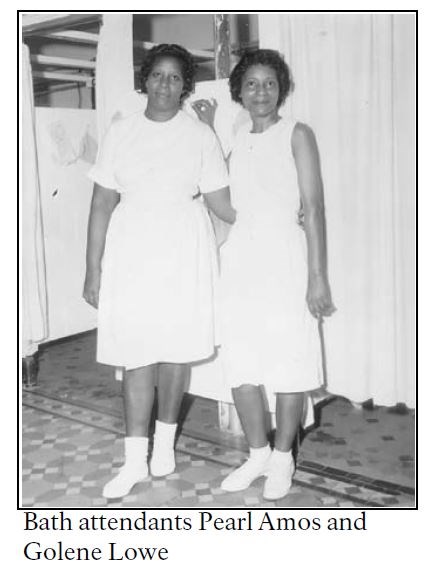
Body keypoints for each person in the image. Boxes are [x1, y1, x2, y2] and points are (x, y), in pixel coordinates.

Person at [83, 44, 235, 499]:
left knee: (175, 352)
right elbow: (101, 203)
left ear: (185, 85)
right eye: (157, 76)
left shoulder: (199, 136)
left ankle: (164, 446)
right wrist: (93, 269)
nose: (165, 85)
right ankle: (134, 461)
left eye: (175, 77)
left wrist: (286, 207)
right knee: (136, 355)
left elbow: (223, 203)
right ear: (144, 80)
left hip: (183, 251)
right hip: (131, 251)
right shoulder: (122, 132)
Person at [193, 49, 335, 501]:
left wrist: (317, 276)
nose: (261, 92)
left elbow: (312, 208)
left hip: (286, 261)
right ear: (239, 90)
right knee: (242, 363)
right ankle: (256, 454)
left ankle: (281, 459)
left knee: (289, 360)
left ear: (282, 89)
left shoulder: (297, 134)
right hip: (241, 262)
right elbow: (227, 202)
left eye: (269, 83)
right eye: (251, 84)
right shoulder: (235, 141)